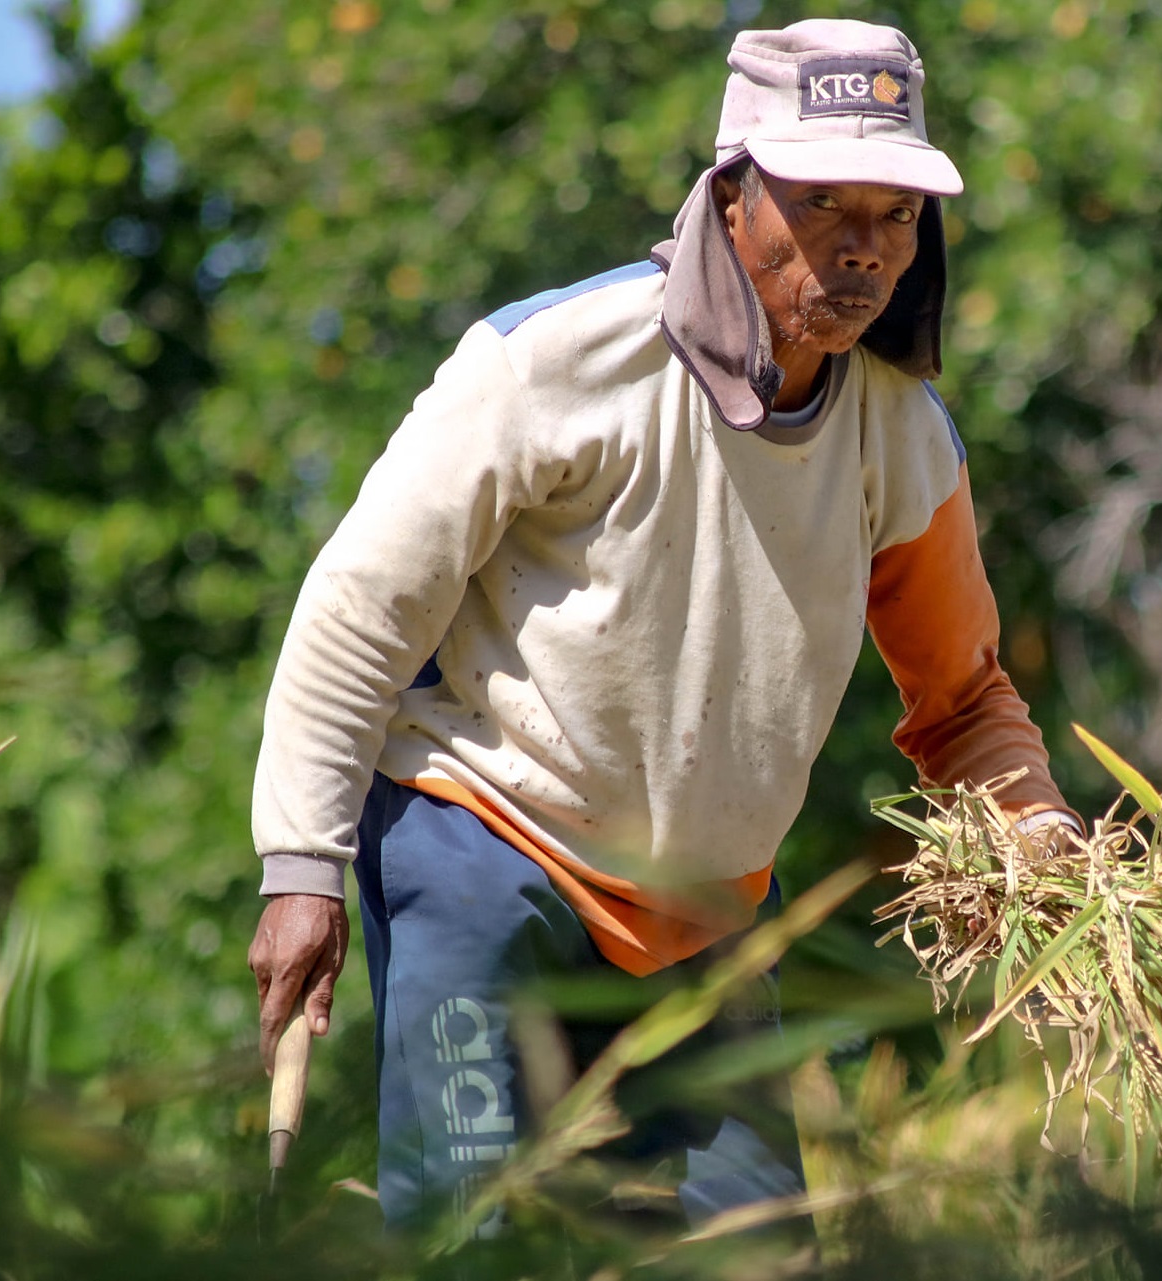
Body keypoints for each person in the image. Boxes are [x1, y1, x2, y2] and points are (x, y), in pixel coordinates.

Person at [246, 17, 1075, 1236]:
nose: (863, 251)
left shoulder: (902, 438)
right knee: (473, 1240)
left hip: (706, 911)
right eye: (824, 205)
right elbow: (364, 609)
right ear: (733, 195)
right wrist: (303, 866)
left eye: (895, 216)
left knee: (762, 1251)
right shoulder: (554, 365)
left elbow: (963, 705)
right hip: (484, 846)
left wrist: (1042, 831)